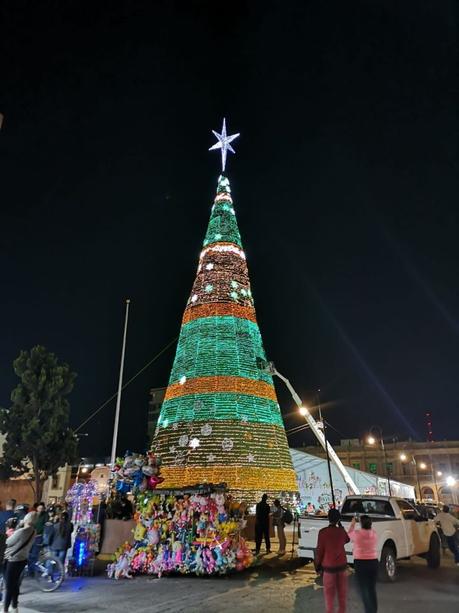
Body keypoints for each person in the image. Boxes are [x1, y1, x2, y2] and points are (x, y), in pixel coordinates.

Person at [315, 508, 350, 613]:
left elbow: (319, 552)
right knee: (342, 598)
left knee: (329, 600)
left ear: (328, 518)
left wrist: (317, 566)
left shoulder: (323, 532)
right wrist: (341, 526)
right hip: (342, 568)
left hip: (329, 569)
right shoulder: (341, 532)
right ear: (338, 519)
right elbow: (347, 539)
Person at [3, 511, 36, 613]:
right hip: (23, 559)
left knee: (9, 585)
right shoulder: (33, 531)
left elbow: (7, 543)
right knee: (15, 583)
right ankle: (14, 606)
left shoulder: (21, 531)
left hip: (13, 559)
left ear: (26, 519)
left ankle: (5, 609)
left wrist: (8, 532)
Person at [348, 515, 378, 612]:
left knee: (364, 589)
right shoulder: (374, 533)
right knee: (371, 588)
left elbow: (349, 534)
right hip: (373, 562)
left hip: (361, 563)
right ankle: (373, 610)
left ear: (361, 524)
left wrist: (353, 523)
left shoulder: (357, 534)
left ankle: (369, 610)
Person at [28, 502, 48, 573]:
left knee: (34, 554)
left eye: (42, 508)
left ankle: (33, 570)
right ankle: (30, 569)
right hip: (31, 536)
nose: (41, 509)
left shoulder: (45, 516)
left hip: (39, 537)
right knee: (29, 554)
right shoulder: (33, 515)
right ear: (37, 508)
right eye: (39, 508)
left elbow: (45, 526)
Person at [0, 500, 17, 566]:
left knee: (1, 553)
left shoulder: (1, 514)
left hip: (2, 536)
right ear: (14, 506)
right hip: (13, 537)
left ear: (6, 505)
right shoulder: (16, 515)